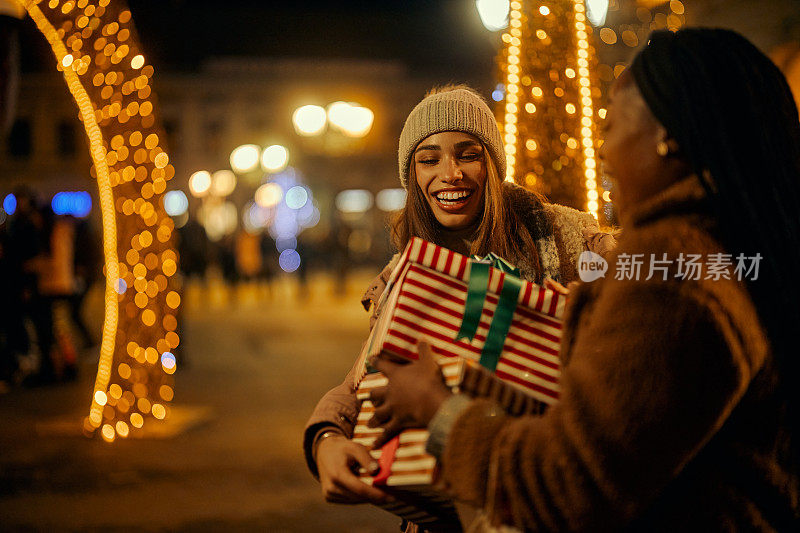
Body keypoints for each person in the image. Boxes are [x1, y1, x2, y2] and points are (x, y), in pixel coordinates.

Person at [368, 29, 800, 531]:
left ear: (668, 136)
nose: (602, 146)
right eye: (427, 159)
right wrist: (327, 436)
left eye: (612, 122)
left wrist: (438, 409)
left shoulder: (672, 268)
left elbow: (570, 483)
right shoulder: (731, 249)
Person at [303, 85, 616, 518]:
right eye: (428, 159)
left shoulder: (563, 234)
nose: (450, 174)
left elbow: (653, 273)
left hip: (554, 501)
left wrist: (597, 301)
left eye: (468, 155)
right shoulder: (403, 273)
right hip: (451, 511)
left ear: (492, 163)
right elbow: (365, 378)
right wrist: (326, 438)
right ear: (411, 174)